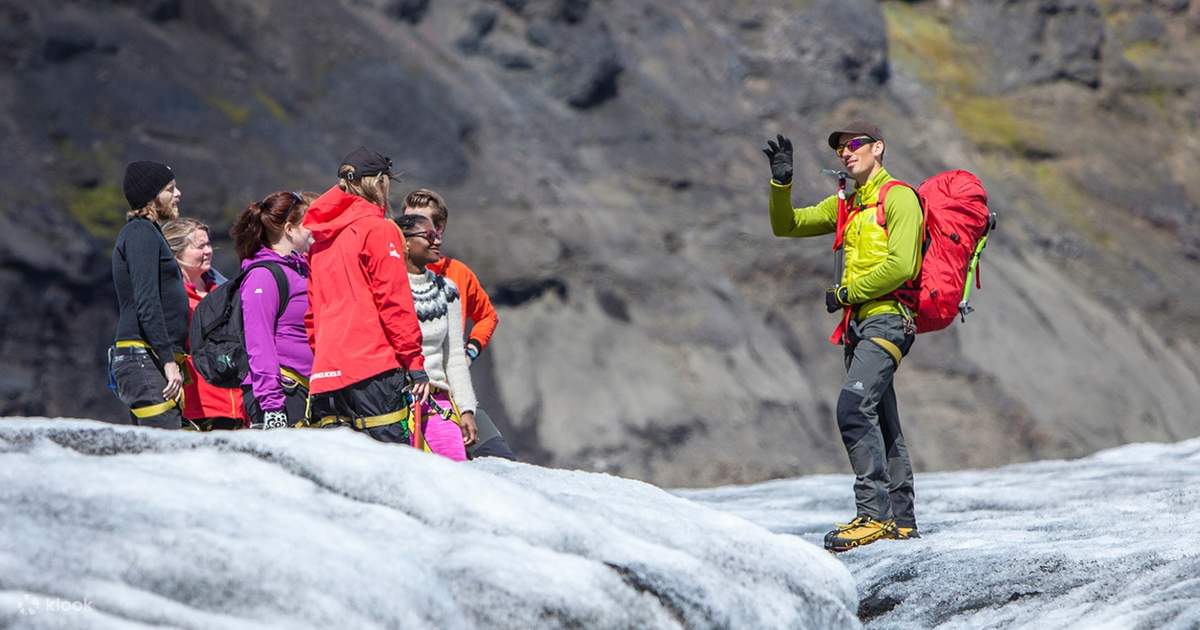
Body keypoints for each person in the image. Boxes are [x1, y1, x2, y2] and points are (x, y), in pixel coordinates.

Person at [764, 122, 924, 551]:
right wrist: (782, 184)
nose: (845, 152)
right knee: (882, 420)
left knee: (853, 408)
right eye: (839, 149)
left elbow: (903, 265)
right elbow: (788, 226)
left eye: (854, 145)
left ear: (878, 148)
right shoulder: (848, 206)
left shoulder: (900, 197)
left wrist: (846, 292)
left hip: (889, 319)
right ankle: (901, 521)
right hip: (858, 326)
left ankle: (873, 515)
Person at [303, 147, 429, 444]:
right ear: (380, 182)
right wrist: (413, 362)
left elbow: (312, 315)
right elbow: (394, 302)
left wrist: (325, 357)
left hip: (326, 374)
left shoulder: (320, 240)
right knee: (389, 471)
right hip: (372, 368)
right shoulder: (379, 230)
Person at [402, 188, 516, 460]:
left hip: (451, 390)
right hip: (412, 394)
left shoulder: (457, 276)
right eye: (407, 222)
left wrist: (470, 352)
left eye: (421, 224)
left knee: (499, 459)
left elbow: (488, 316)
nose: (407, 229)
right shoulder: (391, 277)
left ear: (438, 229)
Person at [109, 161, 189, 429]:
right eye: (170, 189)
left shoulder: (150, 232)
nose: (178, 194)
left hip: (149, 354)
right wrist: (168, 361)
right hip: (144, 356)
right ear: (152, 196)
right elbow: (147, 301)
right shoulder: (140, 232)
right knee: (167, 453)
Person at [397, 214, 479, 459]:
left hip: (438, 404)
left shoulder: (447, 289)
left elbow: (454, 355)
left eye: (438, 235)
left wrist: (466, 410)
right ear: (406, 243)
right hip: (397, 404)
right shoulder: (387, 288)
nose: (437, 242)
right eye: (429, 236)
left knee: (454, 477)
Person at [230, 191, 314, 429]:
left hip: (304, 390)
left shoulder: (299, 270)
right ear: (290, 229)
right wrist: (272, 406)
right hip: (284, 394)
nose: (315, 229)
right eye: (309, 223)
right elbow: (259, 341)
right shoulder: (263, 276)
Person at [161, 218, 248, 430]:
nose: (208, 251)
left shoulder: (223, 291)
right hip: (198, 404)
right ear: (176, 252)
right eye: (200, 246)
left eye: (209, 244)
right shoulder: (168, 297)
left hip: (238, 402)